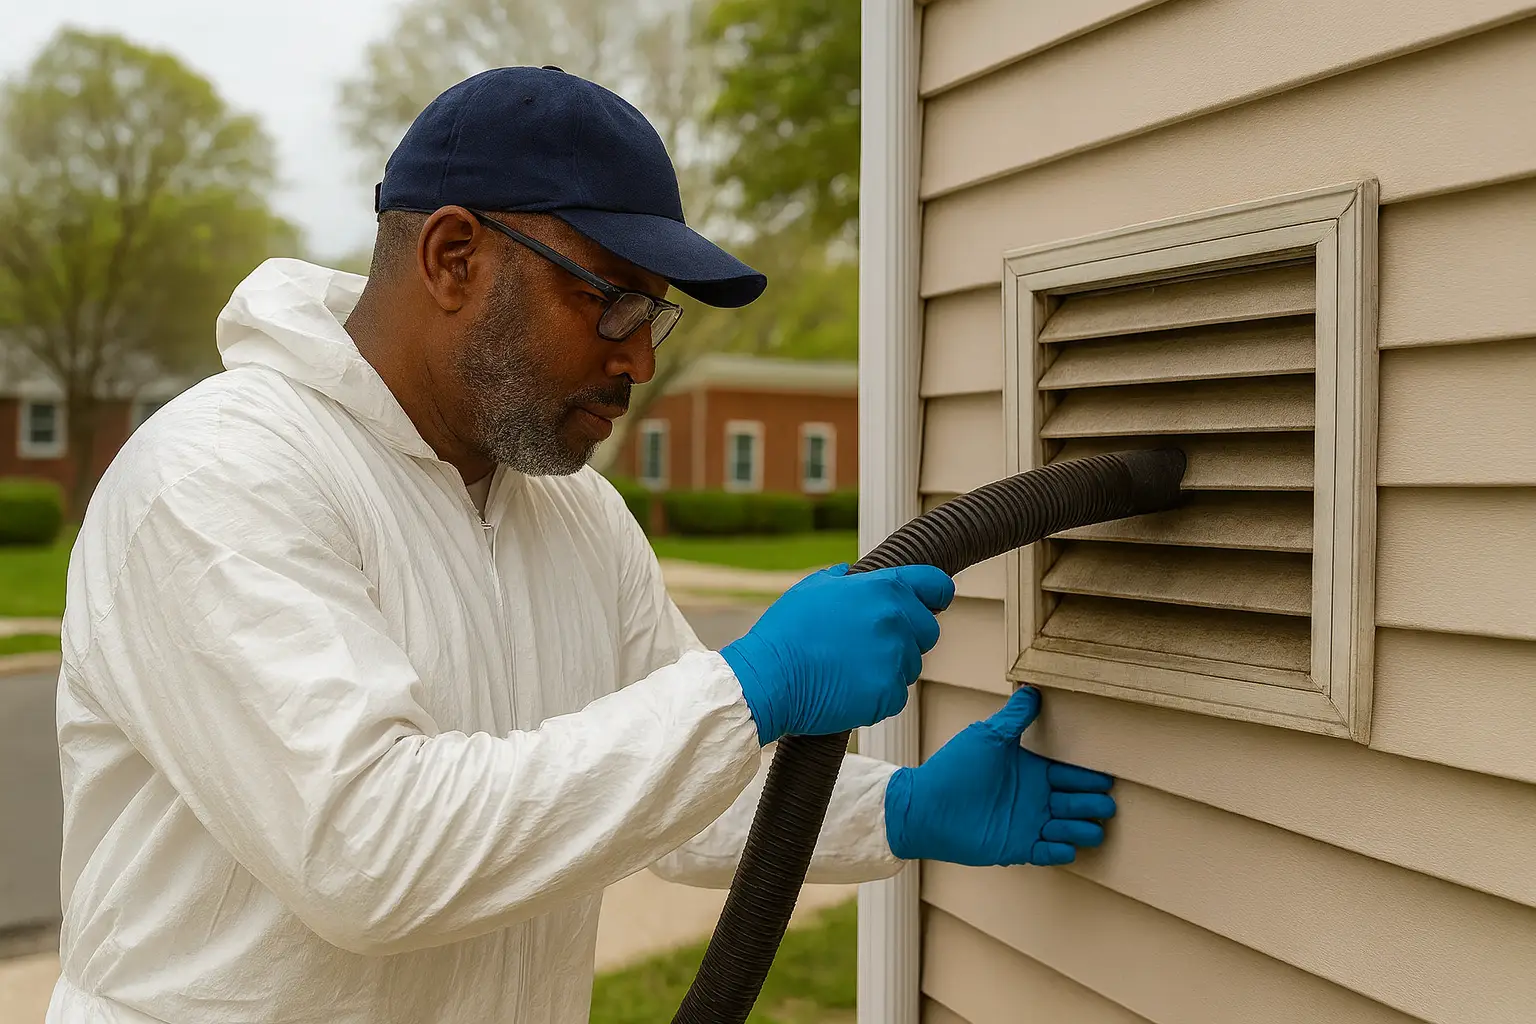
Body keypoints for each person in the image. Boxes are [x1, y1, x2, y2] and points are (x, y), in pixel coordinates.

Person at [47, 67, 1117, 1024]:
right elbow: (365, 851)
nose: (639, 359)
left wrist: (901, 806)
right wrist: (753, 684)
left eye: (654, 314)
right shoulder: (218, 477)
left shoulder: (575, 516)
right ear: (454, 255)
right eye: (608, 300)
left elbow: (670, 792)